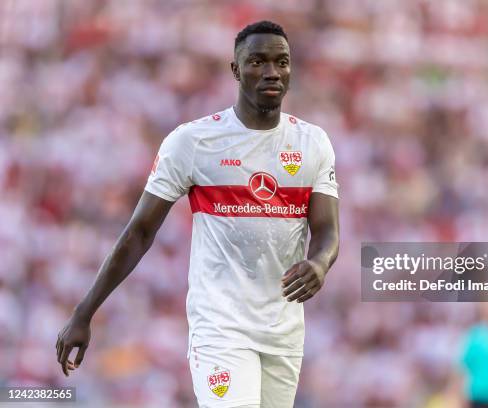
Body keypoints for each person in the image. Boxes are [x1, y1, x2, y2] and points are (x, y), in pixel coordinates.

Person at [56, 20, 339, 408]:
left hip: (283, 331)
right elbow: (139, 232)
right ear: (236, 70)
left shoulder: (312, 143)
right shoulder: (193, 142)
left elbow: (326, 230)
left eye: (281, 62)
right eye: (257, 62)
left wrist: (320, 263)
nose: (272, 72)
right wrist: (84, 312)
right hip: (220, 328)